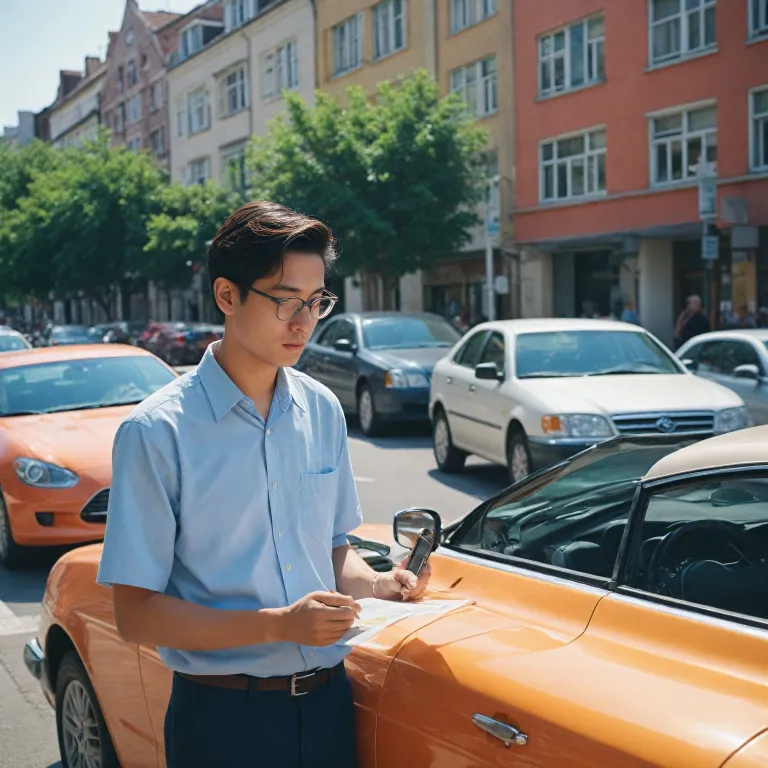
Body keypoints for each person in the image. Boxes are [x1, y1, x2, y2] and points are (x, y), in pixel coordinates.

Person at [97, 201, 432, 768]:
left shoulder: (321, 408)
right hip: (224, 720)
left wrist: (378, 585)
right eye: (284, 301)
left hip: (328, 705)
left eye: (316, 302)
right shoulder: (157, 432)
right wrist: (281, 625)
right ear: (228, 296)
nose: (303, 322)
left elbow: (331, 550)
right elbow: (136, 614)